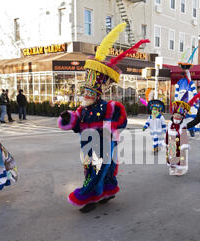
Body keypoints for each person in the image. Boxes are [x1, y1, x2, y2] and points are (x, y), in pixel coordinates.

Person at [58, 22, 144, 212]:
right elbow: (75, 123)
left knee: (96, 171)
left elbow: (122, 121)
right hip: (87, 144)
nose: (85, 95)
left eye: (89, 92)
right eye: (85, 92)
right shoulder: (82, 109)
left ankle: (90, 197)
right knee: (99, 170)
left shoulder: (110, 107)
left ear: (97, 93)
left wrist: (109, 134)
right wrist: (66, 119)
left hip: (103, 145)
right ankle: (108, 190)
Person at [166, 93, 200, 176]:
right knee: (172, 155)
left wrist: (184, 144)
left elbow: (184, 136)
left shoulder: (183, 125)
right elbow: (167, 133)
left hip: (180, 144)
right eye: (175, 116)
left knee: (181, 156)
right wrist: (165, 142)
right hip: (172, 142)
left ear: (182, 117)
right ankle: (173, 167)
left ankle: (180, 169)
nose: (177, 118)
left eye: (179, 116)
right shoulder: (170, 124)